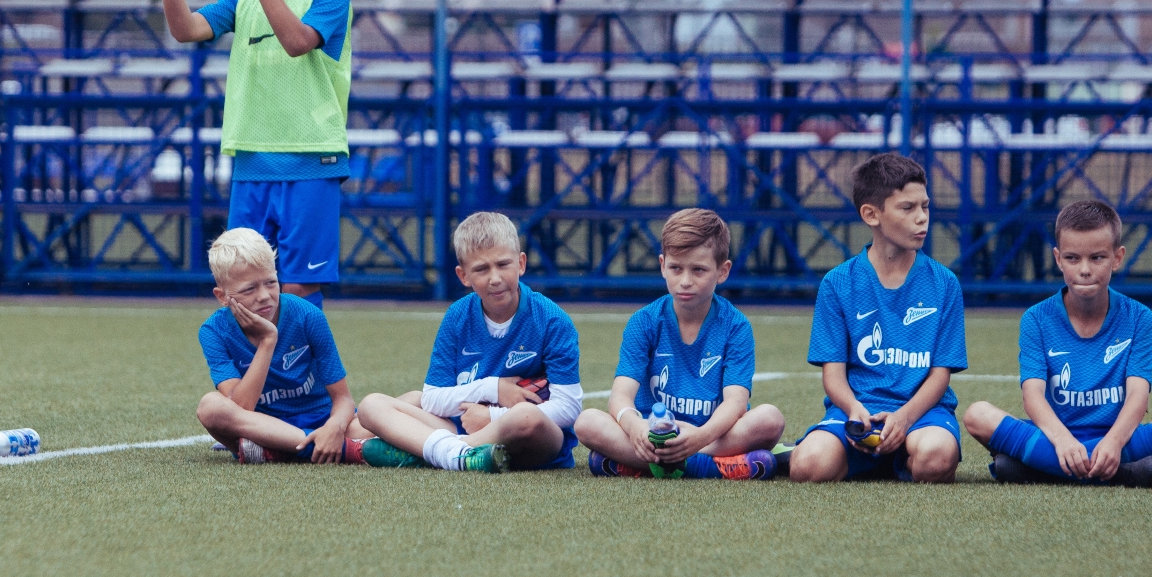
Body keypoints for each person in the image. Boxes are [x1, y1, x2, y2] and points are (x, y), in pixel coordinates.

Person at [140, 0, 350, 309]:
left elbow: (296, 42)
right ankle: (254, 378)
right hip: (251, 164)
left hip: (311, 161)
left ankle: (304, 377)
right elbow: (185, 30)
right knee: (243, 291)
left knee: (295, 291)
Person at [962, 199, 1152, 487]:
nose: (1084, 269)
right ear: (1058, 258)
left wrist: (1113, 442)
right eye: (1073, 258)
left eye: (1097, 258)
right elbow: (1032, 397)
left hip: (1118, 438)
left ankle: (1038, 470)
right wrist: (1063, 440)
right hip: (1054, 437)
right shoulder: (1036, 318)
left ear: (1117, 257)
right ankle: (1124, 473)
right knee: (977, 415)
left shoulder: (1139, 317)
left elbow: (1138, 396)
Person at [355, 212, 583, 473]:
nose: (495, 278)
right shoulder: (457, 316)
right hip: (463, 427)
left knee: (526, 416)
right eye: (481, 269)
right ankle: (459, 455)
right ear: (464, 276)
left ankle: (437, 452)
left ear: (521, 264)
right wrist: (492, 388)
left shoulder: (552, 319)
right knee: (371, 406)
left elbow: (568, 408)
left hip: (530, 438)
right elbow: (432, 400)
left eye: (503, 264)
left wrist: (493, 417)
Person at [788, 153, 967, 484]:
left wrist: (903, 417)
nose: (922, 218)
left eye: (925, 207)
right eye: (907, 208)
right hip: (858, 412)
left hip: (922, 414)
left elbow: (941, 375)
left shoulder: (944, 283)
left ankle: (902, 457)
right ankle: (851, 454)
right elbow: (834, 376)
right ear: (871, 214)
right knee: (807, 467)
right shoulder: (837, 283)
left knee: (936, 459)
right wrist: (855, 410)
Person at [575, 209, 784, 479]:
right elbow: (620, 395)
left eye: (698, 270)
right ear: (662, 265)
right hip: (653, 436)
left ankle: (642, 465)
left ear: (723, 271)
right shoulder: (644, 321)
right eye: (676, 268)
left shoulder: (736, 326)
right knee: (587, 422)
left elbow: (736, 402)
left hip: (710, 436)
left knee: (770, 419)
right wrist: (634, 426)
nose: (685, 281)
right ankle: (712, 467)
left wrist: (699, 437)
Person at [196, 227, 389, 465]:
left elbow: (343, 400)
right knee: (210, 407)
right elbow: (242, 408)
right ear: (223, 296)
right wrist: (268, 341)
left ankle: (280, 451)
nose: (265, 296)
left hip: (320, 418)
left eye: (271, 282)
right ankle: (337, 450)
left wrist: (333, 428)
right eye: (249, 289)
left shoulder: (307, 315)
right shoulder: (213, 331)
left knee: (391, 411)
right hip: (262, 427)